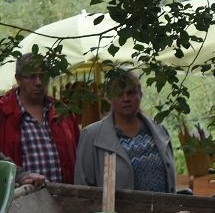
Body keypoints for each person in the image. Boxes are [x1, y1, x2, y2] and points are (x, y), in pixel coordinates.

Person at [74, 70, 177, 193]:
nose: (125, 99)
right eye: (119, 94)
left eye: (131, 93)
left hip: (162, 211)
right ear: (109, 98)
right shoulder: (92, 136)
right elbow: (82, 190)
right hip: (120, 212)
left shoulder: (160, 132)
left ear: (140, 94)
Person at [0, 53, 81, 183]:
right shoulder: (3, 113)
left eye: (43, 76)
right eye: (31, 77)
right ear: (19, 79)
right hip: (20, 199)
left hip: (64, 197)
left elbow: (79, 155)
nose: (38, 82)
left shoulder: (62, 111)